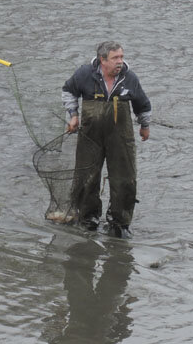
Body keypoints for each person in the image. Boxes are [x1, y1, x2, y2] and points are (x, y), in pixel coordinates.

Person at [62, 41, 151, 238]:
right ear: (103, 60)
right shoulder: (85, 74)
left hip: (120, 136)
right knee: (86, 176)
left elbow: (142, 104)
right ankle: (88, 218)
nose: (120, 62)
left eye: (121, 57)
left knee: (125, 179)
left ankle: (120, 222)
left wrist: (144, 126)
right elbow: (68, 90)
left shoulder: (129, 78)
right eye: (115, 58)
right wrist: (73, 115)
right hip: (90, 135)